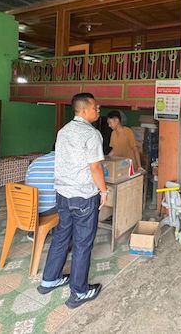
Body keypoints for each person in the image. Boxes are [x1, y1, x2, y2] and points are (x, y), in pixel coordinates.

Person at [37, 93, 108, 309]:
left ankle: (49, 280)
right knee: (82, 243)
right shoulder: (92, 134)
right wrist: (103, 191)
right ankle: (79, 291)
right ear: (84, 110)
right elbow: (95, 167)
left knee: (61, 236)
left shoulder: (63, 131)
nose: (98, 110)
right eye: (96, 107)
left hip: (63, 194)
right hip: (84, 196)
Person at [24, 149, 56, 241]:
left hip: (29, 209)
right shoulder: (61, 163)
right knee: (70, 202)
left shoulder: (35, 161)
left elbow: (27, 184)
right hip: (48, 211)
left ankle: (33, 232)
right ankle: (59, 233)